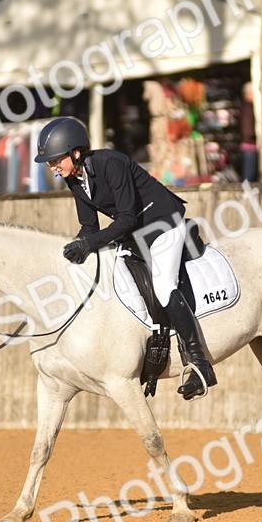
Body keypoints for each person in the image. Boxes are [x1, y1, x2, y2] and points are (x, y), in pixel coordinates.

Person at [34, 116, 217, 400]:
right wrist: (75, 249)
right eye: (50, 162)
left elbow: (127, 218)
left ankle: (200, 363)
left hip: (163, 223)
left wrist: (89, 244)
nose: (53, 166)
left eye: (56, 160)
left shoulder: (112, 163)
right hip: (135, 233)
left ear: (76, 152)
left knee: (163, 286)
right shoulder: (74, 179)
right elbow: (89, 227)